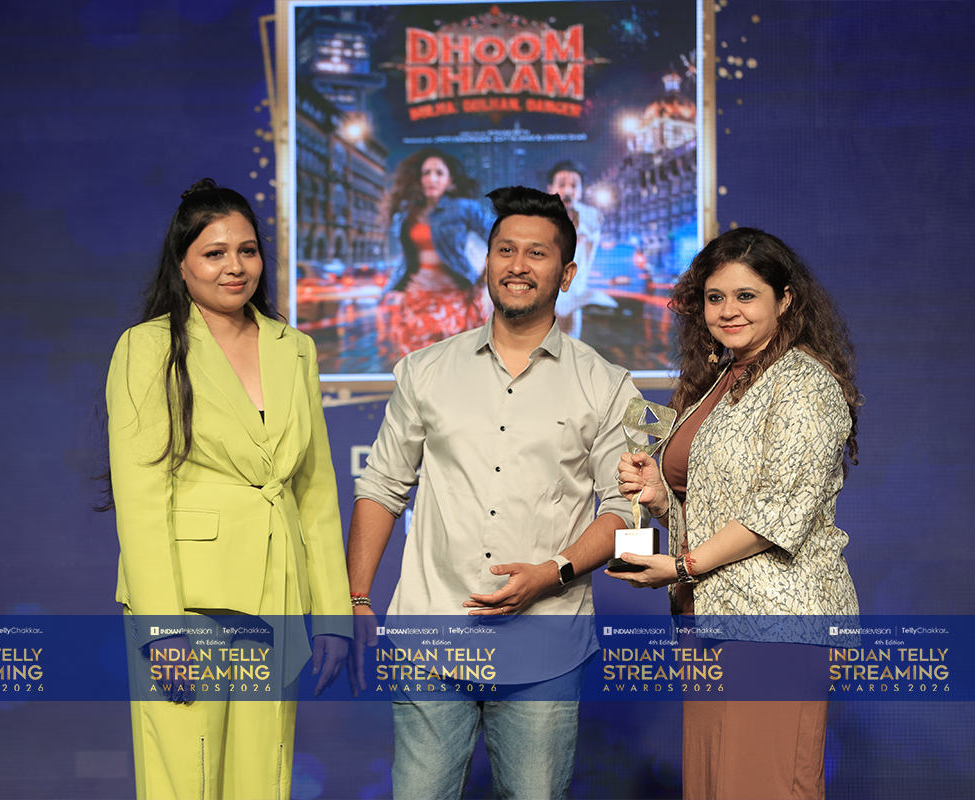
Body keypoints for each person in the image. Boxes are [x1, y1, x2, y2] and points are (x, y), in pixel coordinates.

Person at [349, 186, 642, 799]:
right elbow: (381, 484)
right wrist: (356, 598)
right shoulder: (426, 370)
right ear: (485, 263)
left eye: (536, 253)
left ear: (566, 273)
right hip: (431, 637)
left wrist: (553, 572)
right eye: (505, 250)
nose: (517, 265)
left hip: (546, 644)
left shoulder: (607, 384)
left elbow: (625, 509)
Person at [104, 179, 351, 799]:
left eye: (247, 250)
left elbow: (315, 491)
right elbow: (140, 497)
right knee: (185, 781)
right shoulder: (148, 347)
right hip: (189, 600)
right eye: (214, 253)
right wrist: (161, 627)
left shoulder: (295, 349)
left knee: (263, 780)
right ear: (182, 264)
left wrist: (333, 614)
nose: (234, 266)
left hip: (277, 591)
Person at [608, 227, 861, 799]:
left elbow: (778, 513)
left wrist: (682, 566)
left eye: (747, 296)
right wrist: (661, 498)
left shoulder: (803, 383)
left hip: (775, 626)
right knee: (714, 787)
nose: (728, 311)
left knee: (761, 787)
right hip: (709, 621)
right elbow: (714, 508)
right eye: (715, 297)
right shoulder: (719, 381)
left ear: (785, 300)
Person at [382, 148, 494, 355]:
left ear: (450, 182)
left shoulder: (464, 208)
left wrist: (485, 275)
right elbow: (407, 257)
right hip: (416, 297)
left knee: (453, 360)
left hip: (454, 298)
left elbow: (499, 238)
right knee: (419, 362)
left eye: (439, 173)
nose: (431, 178)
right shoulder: (408, 213)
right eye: (426, 173)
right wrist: (393, 289)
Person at [547, 160, 617, 339]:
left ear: (581, 190)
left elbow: (587, 229)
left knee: (569, 347)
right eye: (561, 185)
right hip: (545, 300)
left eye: (574, 186)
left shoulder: (590, 217)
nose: (568, 191)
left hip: (573, 297)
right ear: (550, 189)